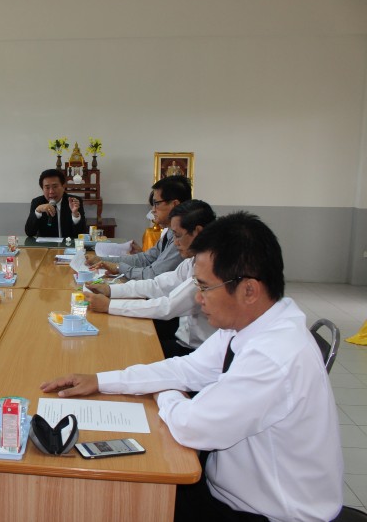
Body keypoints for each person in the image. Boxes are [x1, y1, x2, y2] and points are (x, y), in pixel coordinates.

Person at [42, 212, 343, 521]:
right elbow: (186, 369)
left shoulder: (275, 356)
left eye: (205, 287)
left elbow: (191, 427)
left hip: (267, 513)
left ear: (249, 290)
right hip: (230, 486)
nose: (198, 298)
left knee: (122, 500)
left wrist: (165, 392)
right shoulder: (248, 324)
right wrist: (100, 380)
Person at [85, 200, 217, 358]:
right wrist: (110, 290)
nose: (175, 243)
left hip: (196, 350)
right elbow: (157, 285)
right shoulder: (193, 260)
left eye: (178, 235)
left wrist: (109, 305)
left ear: (197, 232)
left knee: (129, 350)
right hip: (184, 336)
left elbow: (168, 307)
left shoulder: (210, 267)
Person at [87, 175, 191, 280]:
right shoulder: (170, 231)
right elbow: (145, 259)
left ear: (174, 204)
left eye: (156, 203)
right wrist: (101, 260)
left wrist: (119, 268)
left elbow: (153, 274)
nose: (153, 210)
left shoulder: (183, 237)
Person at [24, 169, 86, 239]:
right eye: (47, 188)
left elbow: (81, 234)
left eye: (55, 186)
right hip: (46, 245)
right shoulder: (37, 202)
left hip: (68, 245)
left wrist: (75, 214)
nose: (51, 191)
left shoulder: (74, 202)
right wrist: (38, 212)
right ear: (42, 189)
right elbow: (29, 232)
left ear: (63, 187)